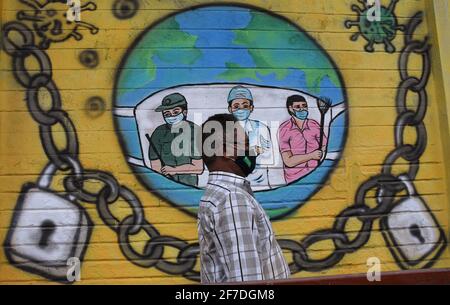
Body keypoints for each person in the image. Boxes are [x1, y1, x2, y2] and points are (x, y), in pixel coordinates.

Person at [197, 113, 290, 283]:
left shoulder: (218, 194)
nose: (251, 151)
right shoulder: (232, 199)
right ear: (225, 151)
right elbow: (247, 280)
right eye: (246, 144)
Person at [147, 93, 203, 187]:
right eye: (167, 114)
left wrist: (174, 170)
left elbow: (198, 168)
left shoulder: (194, 131)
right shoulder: (158, 133)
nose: (171, 116)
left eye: (176, 112)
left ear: (184, 112)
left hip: (188, 186)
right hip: (165, 186)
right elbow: (155, 165)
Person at [227, 86, 275, 190]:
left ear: (251, 108)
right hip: (233, 186)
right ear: (230, 109)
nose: (240, 109)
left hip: (259, 185)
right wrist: (253, 152)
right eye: (236, 106)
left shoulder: (261, 128)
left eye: (245, 106)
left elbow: (268, 157)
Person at [278, 95, 327, 184]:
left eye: (304, 106)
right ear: (290, 109)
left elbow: (325, 145)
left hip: (316, 175)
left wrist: (322, 153)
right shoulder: (284, 129)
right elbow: (288, 161)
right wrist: (312, 155)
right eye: (297, 107)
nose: (302, 109)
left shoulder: (314, 125)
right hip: (295, 179)